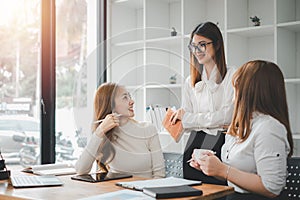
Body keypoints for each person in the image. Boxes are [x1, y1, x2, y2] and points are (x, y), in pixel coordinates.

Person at [190, 60, 293, 200]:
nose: (233, 95)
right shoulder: (241, 126)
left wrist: (222, 170)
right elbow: (233, 175)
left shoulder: (269, 128)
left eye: (236, 88)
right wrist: (212, 166)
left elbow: (271, 187)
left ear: (250, 91)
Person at [170, 22, 236, 184]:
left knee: (219, 192)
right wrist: (198, 120)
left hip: (222, 143)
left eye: (202, 45)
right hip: (194, 144)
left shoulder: (232, 75)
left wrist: (192, 119)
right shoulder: (189, 81)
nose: (197, 51)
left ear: (217, 44)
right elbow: (185, 122)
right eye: (193, 46)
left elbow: (229, 116)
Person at [75, 82, 165, 178]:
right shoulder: (103, 135)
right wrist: (99, 132)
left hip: (144, 191)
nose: (132, 101)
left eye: (129, 96)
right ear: (110, 105)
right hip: (116, 190)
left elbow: (159, 176)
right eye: (125, 97)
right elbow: (81, 170)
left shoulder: (148, 129)